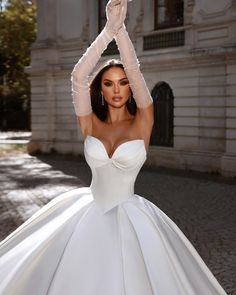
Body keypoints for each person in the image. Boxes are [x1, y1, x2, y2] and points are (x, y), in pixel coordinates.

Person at [0, 0, 228, 294]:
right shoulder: (90, 123)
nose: (117, 89)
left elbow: (134, 68)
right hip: (87, 212)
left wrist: (121, 33)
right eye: (108, 83)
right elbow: (78, 76)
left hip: (131, 216)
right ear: (101, 89)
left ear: (130, 86)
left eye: (123, 83)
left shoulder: (142, 120)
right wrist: (107, 31)